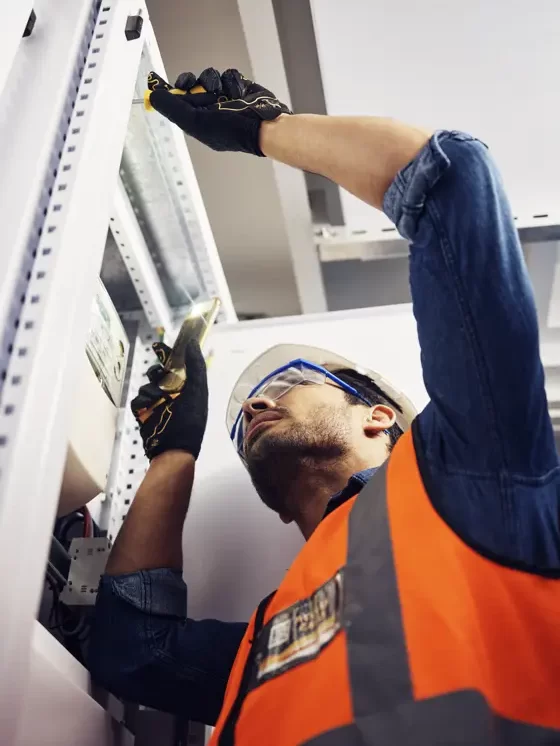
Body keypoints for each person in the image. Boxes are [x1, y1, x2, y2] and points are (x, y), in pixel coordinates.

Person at [89, 68, 560, 743]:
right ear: (279, 508)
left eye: (283, 385)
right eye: (251, 406)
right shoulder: (272, 630)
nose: (255, 406)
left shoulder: (475, 474)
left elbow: (451, 179)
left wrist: (263, 129)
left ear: (378, 416)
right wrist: (174, 455)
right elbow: (132, 652)